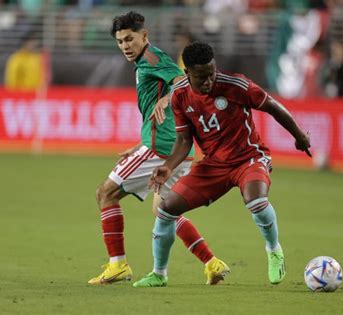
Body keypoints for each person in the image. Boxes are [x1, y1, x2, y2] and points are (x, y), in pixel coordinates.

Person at [133, 42, 312, 288]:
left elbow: (271, 106)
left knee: (256, 200)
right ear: (187, 74)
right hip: (213, 166)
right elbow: (185, 140)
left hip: (249, 157)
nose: (208, 81)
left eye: (211, 74)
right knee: (166, 209)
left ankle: (274, 250)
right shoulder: (180, 95)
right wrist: (168, 166)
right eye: (201, 77)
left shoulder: (235, 85)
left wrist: (299, 135)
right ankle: (159, 274)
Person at [88, 12, 227, 286]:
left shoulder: (152, 59)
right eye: (120, 41)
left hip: (161, 151)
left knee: (106, 193)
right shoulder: (145, 62)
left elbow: (185, 81)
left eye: (130, 39)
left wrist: (165, 100)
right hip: (175, 148)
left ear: (145, 36)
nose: (125, 46)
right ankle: (212, 263)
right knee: (165, 211)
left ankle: (118, 265)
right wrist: (141, 143)